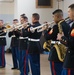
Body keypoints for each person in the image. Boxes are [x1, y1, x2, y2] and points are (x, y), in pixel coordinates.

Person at [44, 9, 70, 75]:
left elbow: (47, 37)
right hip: (64, 52)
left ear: (57, 16)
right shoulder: (67, 25)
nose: (53, 19)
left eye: (53, 17)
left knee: (55, 71)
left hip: (56, 53)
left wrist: (45, 30)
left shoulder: (56, 26)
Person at [57, 4, 74, 75]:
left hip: (71, 59)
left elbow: (72, 43)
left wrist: (62, 38)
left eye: (69, 11)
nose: (68, 14)